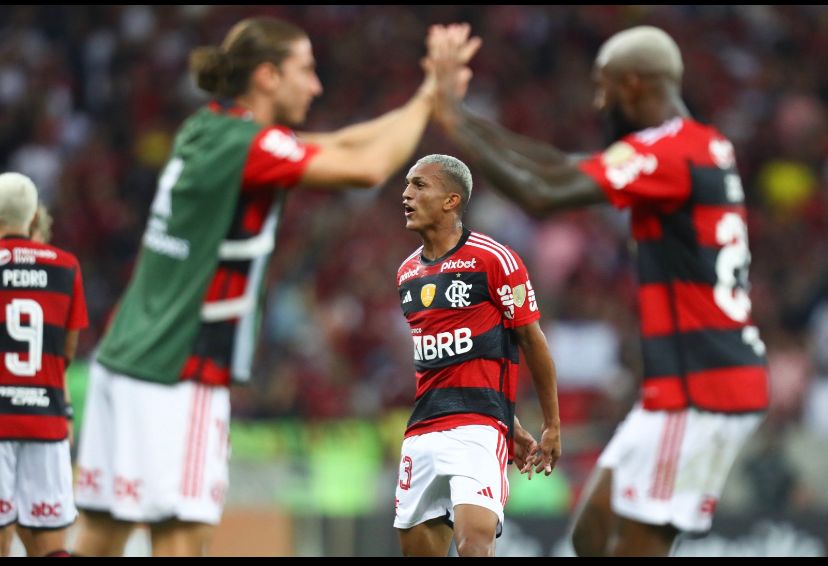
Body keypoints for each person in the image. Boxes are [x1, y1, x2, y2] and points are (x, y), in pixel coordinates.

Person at [72, 16, 462, 557]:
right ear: (267, 76)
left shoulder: (207, 127)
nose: (317, 85)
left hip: (123, 358)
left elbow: (344, 141)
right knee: (182, 538)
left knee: (101, 534)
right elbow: (367, 166)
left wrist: (424, 97)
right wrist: (429, 101)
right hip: (179, 367)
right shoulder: (248, 148)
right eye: (306, 70)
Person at [429, 24, 769, 556]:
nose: (597, 101)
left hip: (702, 387)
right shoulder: (701, 144)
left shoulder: (668, 154)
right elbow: (559, 166)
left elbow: (543, 194)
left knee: (632, 546)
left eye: (603, 87)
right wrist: (461, 117)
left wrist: (452, 119)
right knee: (591, 537)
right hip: (678, 389)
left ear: (633, 85)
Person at [394, 154, 562, 556]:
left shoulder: (493, 259)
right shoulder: (406, 274)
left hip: (478, 431)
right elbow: (453, 360)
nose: (406, 195)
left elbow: (532, 341)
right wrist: (513, 421)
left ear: (452, 200)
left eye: (419, 185)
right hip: (421, 431)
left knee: (474, 543)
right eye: (406, 185)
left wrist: (552, 424)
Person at [0, 172, 88, 557]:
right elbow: (66, 351)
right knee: (50, 543)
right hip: (47, 418)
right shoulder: (67, 267)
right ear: (35, 217)